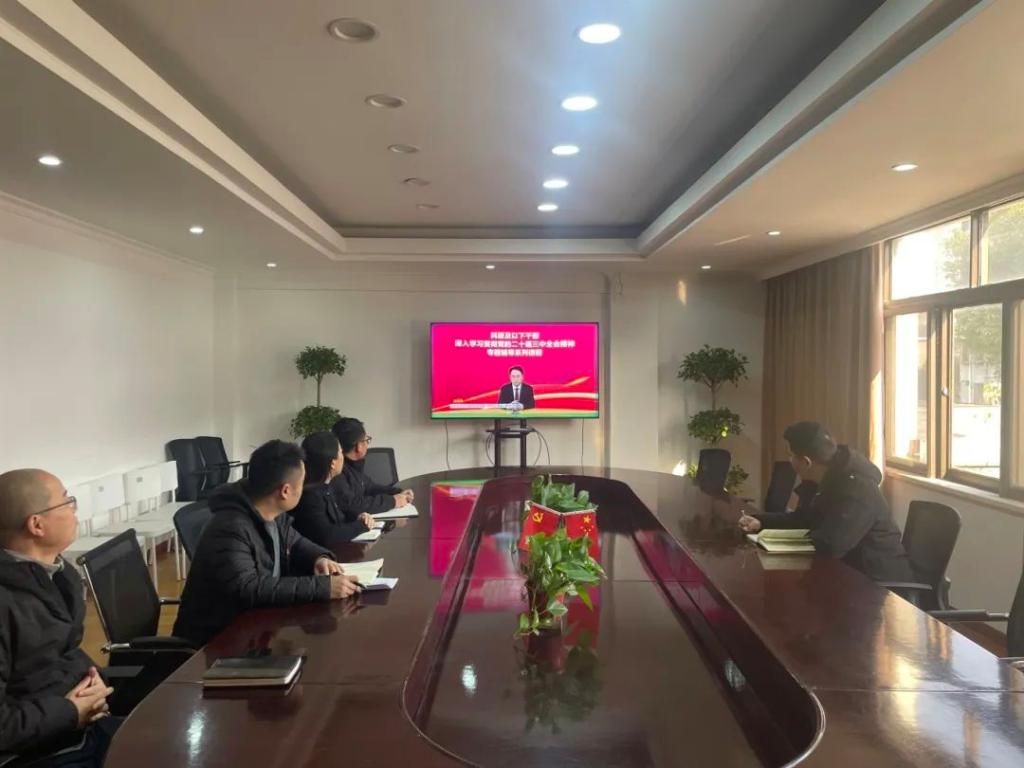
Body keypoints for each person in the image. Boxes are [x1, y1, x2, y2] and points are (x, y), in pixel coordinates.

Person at [173, 440, 361, 647]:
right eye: (302, 482)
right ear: (285, 491)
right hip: (218, 642)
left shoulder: (270, 510)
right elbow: (249, 588)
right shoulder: (231, 527)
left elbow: (296, 541)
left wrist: (320, 558)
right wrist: (322, 587)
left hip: (256, 628)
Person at [0, 469, 119, 767]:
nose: (74, 510)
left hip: (72, 728)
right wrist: (70, 712)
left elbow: (62, 653)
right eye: (67, 501)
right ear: (37, 525)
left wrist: (95, 683)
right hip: (34, 752)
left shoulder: (60, 575)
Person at [738, 421, 913, 583]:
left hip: (880, 586)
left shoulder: (858, 489)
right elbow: (805, 519)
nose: (790, 461)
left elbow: (831, 545)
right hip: (848, 576)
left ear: (806, 462)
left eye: (791, 455)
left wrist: (788, 543)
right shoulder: (827, 480)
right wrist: (761, 521)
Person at [291, 432, 375, 546]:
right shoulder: (309, 496)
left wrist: (357, 517)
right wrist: (362, 525)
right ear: (332, 463)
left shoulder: (326, 486)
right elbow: (327, 535)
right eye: (340, 452)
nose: (343, 456)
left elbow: (339, 515)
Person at [331, 418, 412, 517]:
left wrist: (398, 492)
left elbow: (370, 487)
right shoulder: (337, 472)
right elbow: (353, 505)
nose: (367, 445)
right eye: (366, 440)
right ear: (359, 446)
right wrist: (393, 501)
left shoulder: (354, 465)